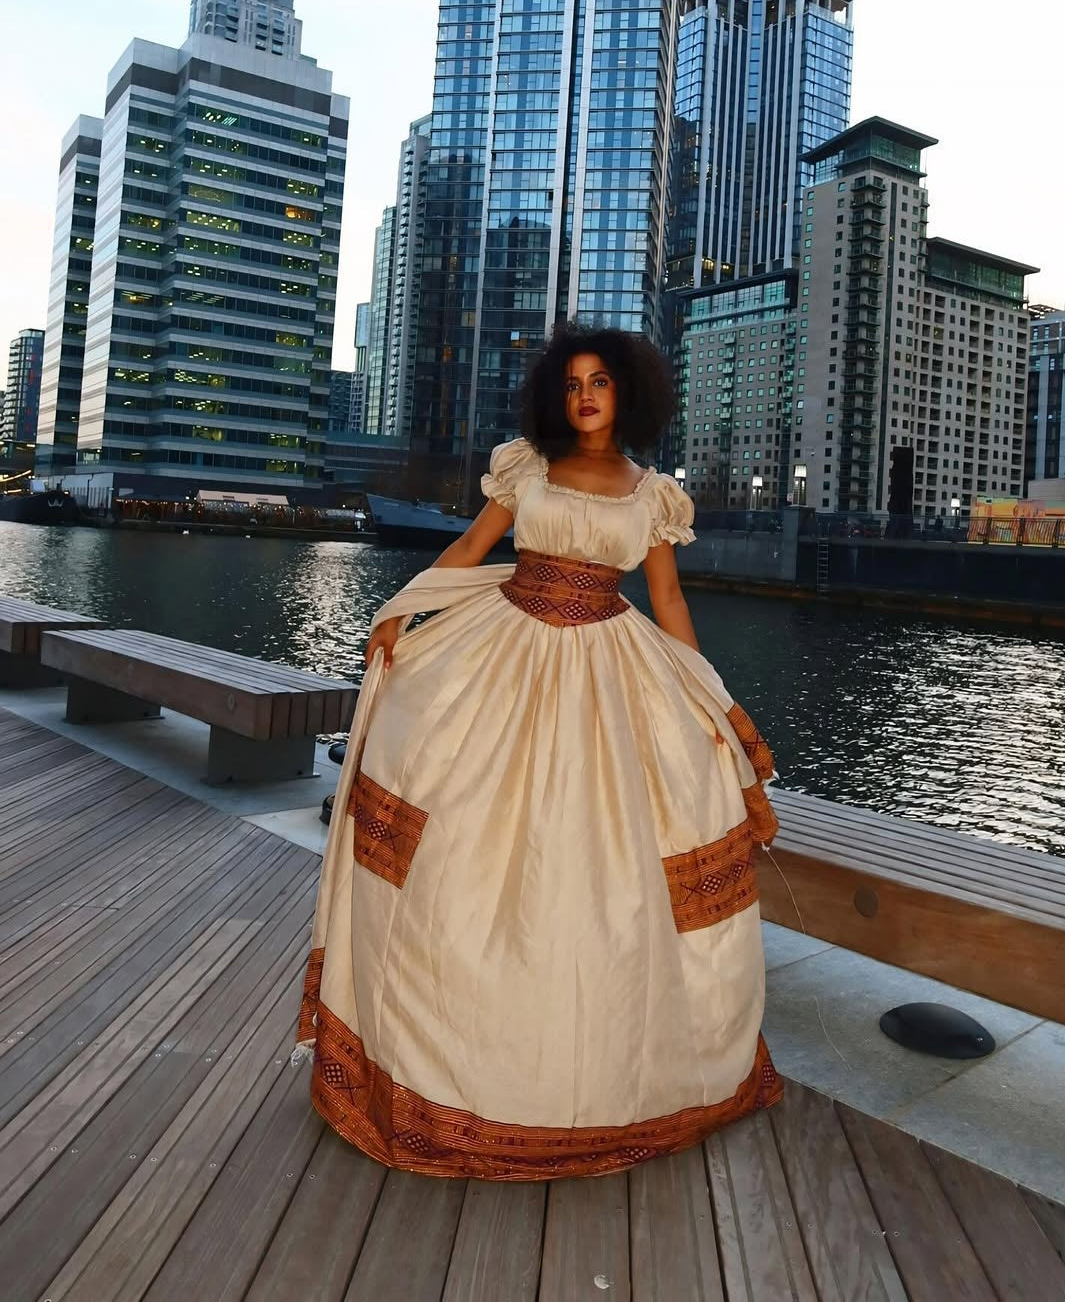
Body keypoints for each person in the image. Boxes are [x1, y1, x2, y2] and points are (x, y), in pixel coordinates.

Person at [294, 322, 782, 1181]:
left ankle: (588, 1085)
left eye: (600, 382)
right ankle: (425, 1061)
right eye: (571, 384)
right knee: (455, 853)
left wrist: (718, 705)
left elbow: (667, 603)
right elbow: (471, 549)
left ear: (627, 392)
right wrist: (402, 611)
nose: (585, 396)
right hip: (503, 649)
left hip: (611, 666)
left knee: (603, 873)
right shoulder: (527, 465)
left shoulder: (652, 496)